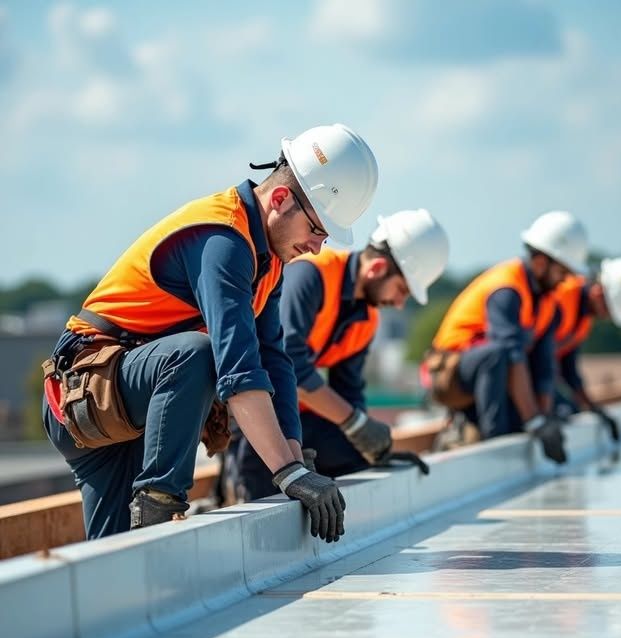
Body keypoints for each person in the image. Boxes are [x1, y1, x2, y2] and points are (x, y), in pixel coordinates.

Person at [42, 124, 379, 543]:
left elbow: (274, 360)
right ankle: (160, 501)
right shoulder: (223, 239)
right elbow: (237, 369)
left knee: (111, 560)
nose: (317, 248)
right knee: (196, 353)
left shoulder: (267, 263)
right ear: (279, 200)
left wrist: (297, 457)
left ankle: (148, 520)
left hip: (132, 402)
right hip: (90, 392)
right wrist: (287, 473)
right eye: (316, 230)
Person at [226, 209, 449, 500]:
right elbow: (288, 366)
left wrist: (373, 449)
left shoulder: (367, 321)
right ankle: (236, 484)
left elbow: (349, 392)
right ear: (377, 268)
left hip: (296, 417)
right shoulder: (311, 274)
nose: (398, 303)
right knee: (264, 498)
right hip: (253, 411)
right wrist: (357, 424)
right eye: (402, 290)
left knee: (354, 460)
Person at [426, 210, 589, 463]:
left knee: (525, 390)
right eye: (562, 272)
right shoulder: (507, 288)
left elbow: (544, 367)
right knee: (498, 354)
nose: (566, 282)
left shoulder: (548, 303)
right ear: (540, 263)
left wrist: (545, 420)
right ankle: (494, 441)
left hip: (490, 376)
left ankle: (489, 428)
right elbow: (509, 354)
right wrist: (534, 421)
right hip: (449, 374)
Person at [548, 257, 621, 441]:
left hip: (536, 378)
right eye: (608, 309)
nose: (606, 317)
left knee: (571, 410)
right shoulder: (562, 295)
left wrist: (594, 409)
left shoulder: (583, 319)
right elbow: (534, 358)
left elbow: (569, 371)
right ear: (598, 292)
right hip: (515, 377)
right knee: (560, 409)